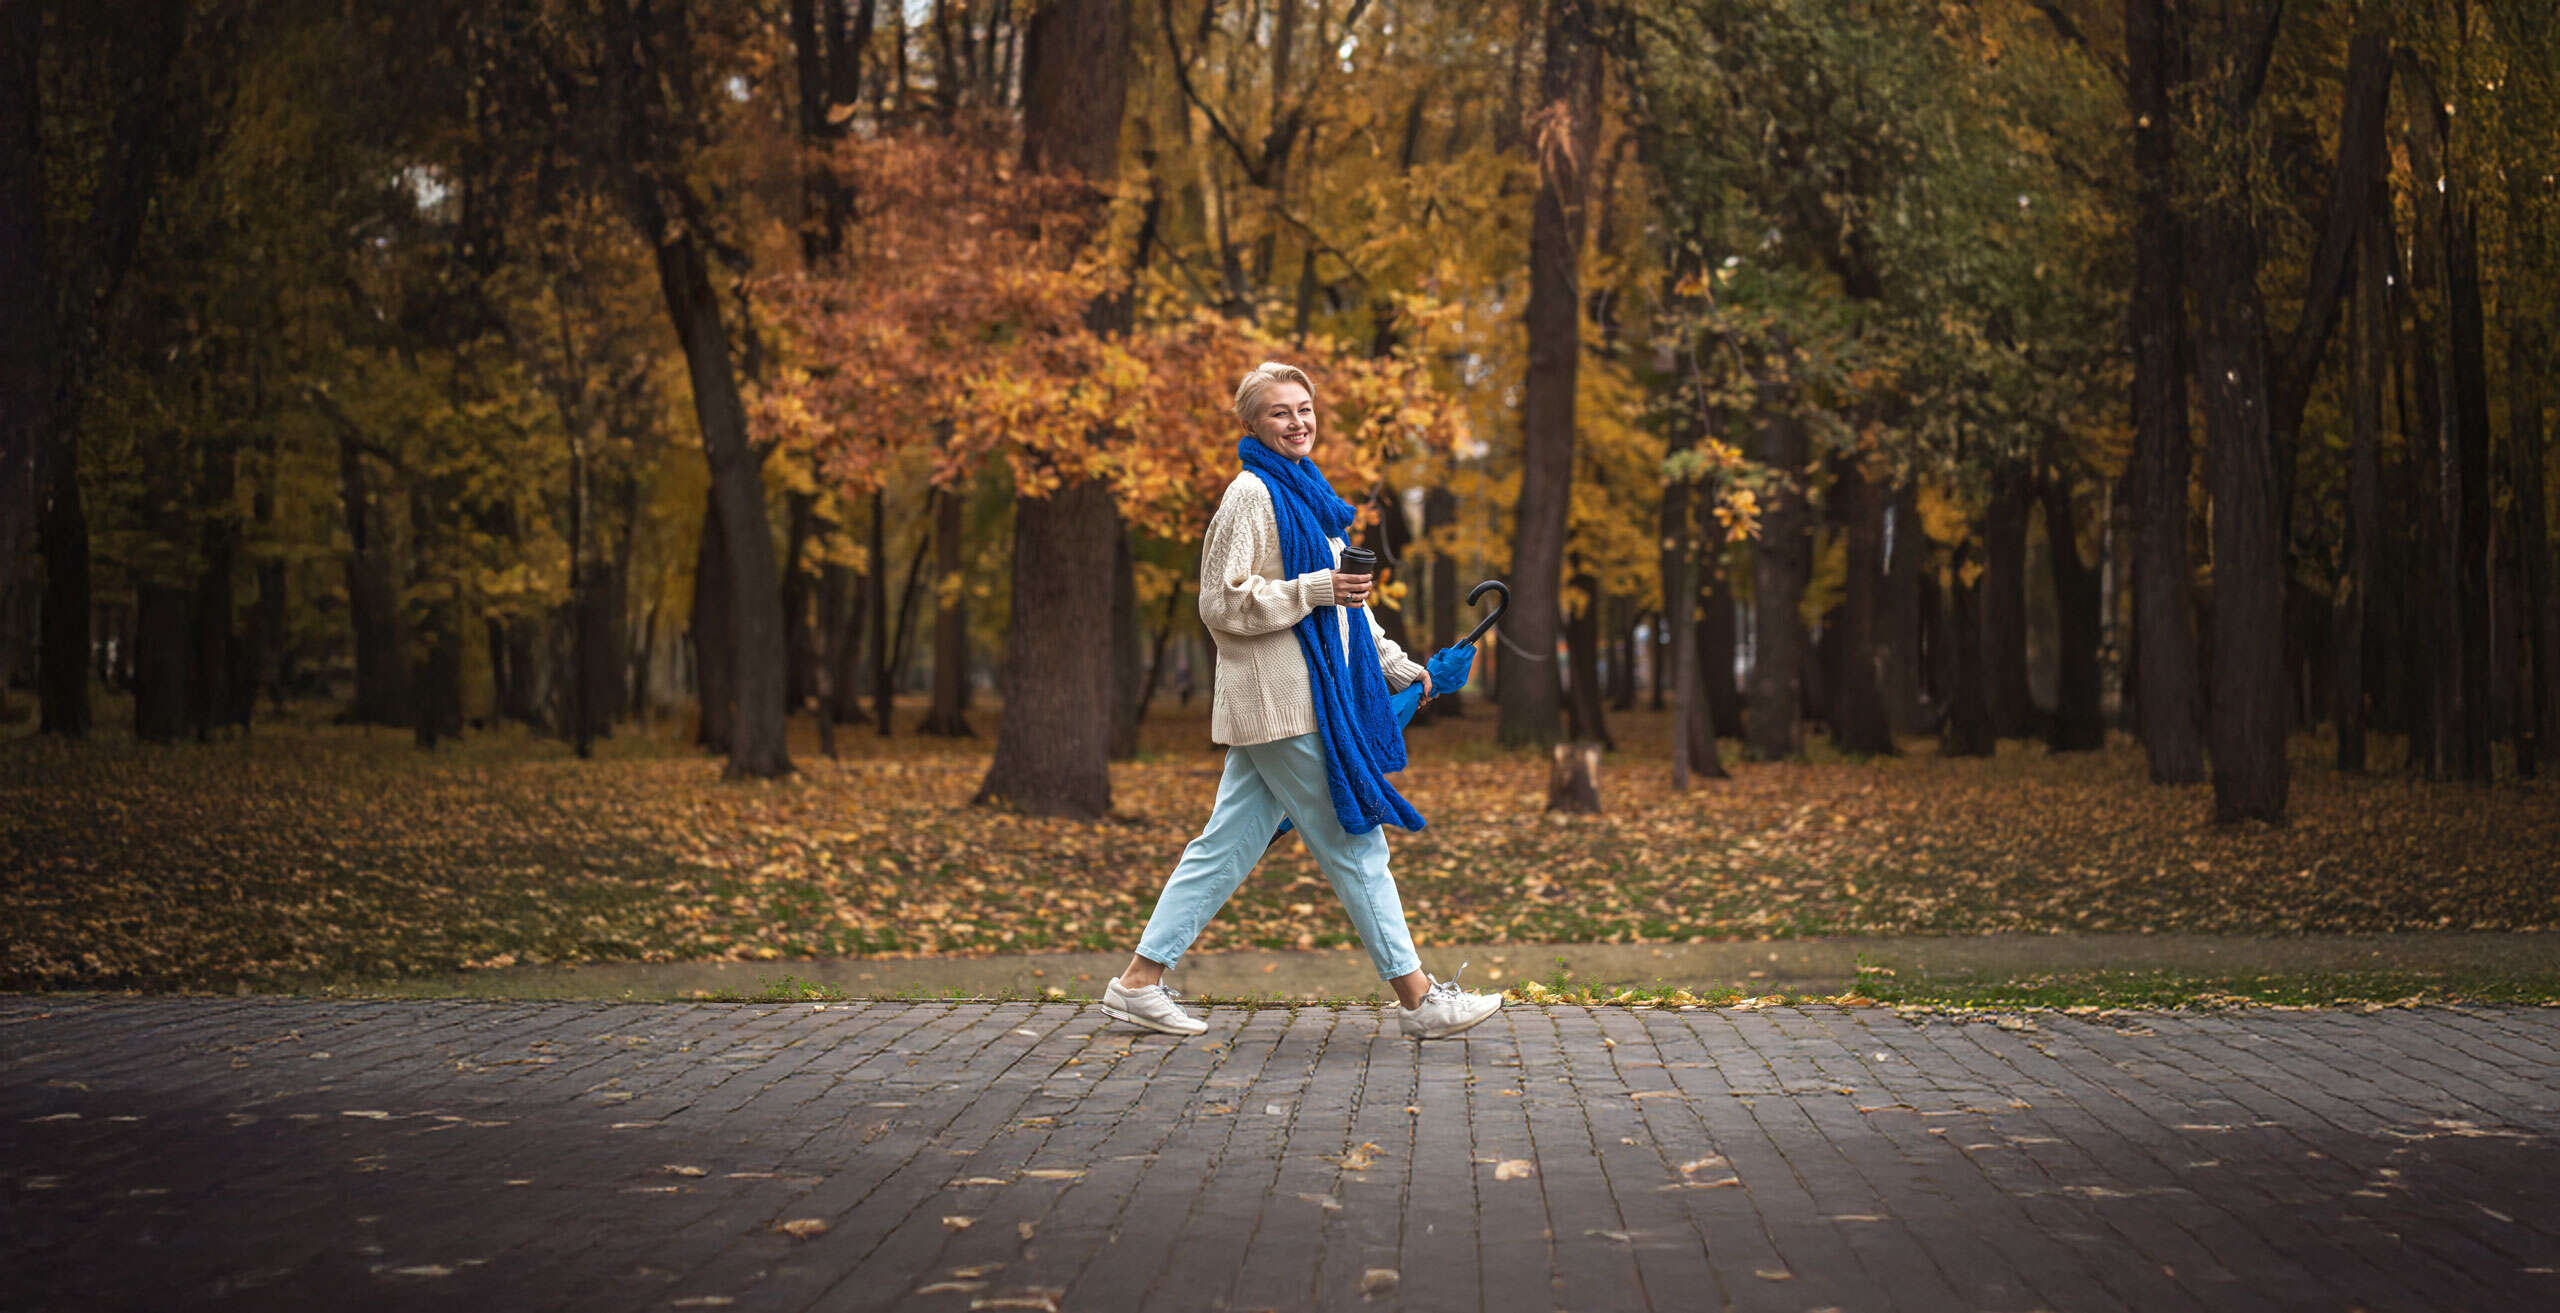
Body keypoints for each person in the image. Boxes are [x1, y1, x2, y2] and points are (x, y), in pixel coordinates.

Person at [1100, 362, 1502, 1041]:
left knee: (1223, 845)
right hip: (1282, 702)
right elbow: (1220, 602)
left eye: (1305, 408)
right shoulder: (1251, 494)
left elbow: (1347, 606)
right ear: (1252, 424)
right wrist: (1313, 589)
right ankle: (1420, 999)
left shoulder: (1310, 497)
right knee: (1356, 841)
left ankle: (1137, 983)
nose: (1298, 421)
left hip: (1300, 700)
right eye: (1281, 411)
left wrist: (1404, 670)